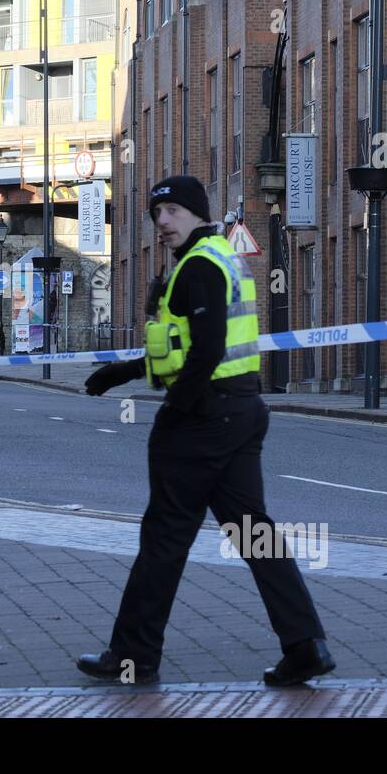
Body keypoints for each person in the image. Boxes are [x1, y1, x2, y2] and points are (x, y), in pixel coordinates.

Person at [77, 175, 334, 688]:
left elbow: (208, 347)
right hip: (240, 410)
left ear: (196, 212)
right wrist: (123, 372)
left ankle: (134, 656)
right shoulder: (220, 256)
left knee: (164, 538)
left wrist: (176, 408)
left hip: (203, 420)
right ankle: (305, 646)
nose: (162, 222)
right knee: (253, 533)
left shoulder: (198, 266)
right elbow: (185, 343)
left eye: (171, 210)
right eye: (155, 214)